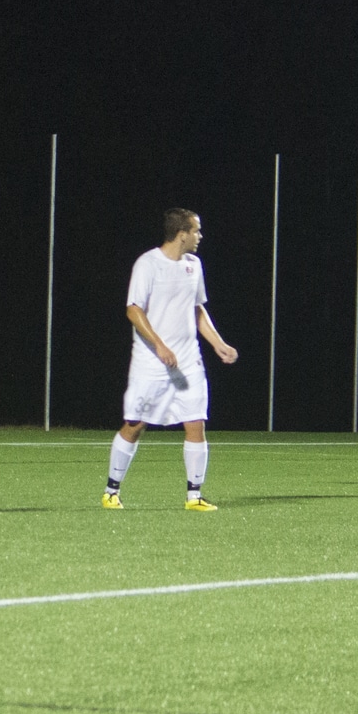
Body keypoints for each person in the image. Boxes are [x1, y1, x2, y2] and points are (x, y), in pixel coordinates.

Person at [106, 207, 239, 509]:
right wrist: (160, 346)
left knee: (195, 423)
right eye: (196, 230)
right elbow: (133, 309)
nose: (200, 236)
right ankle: (111, 491)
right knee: (135, 424)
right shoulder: (148, 264)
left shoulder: (194, 264)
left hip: (188, 361)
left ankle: (194, 496)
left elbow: (196, 309)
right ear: (181, 235)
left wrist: (218, 343)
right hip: (152, 362)